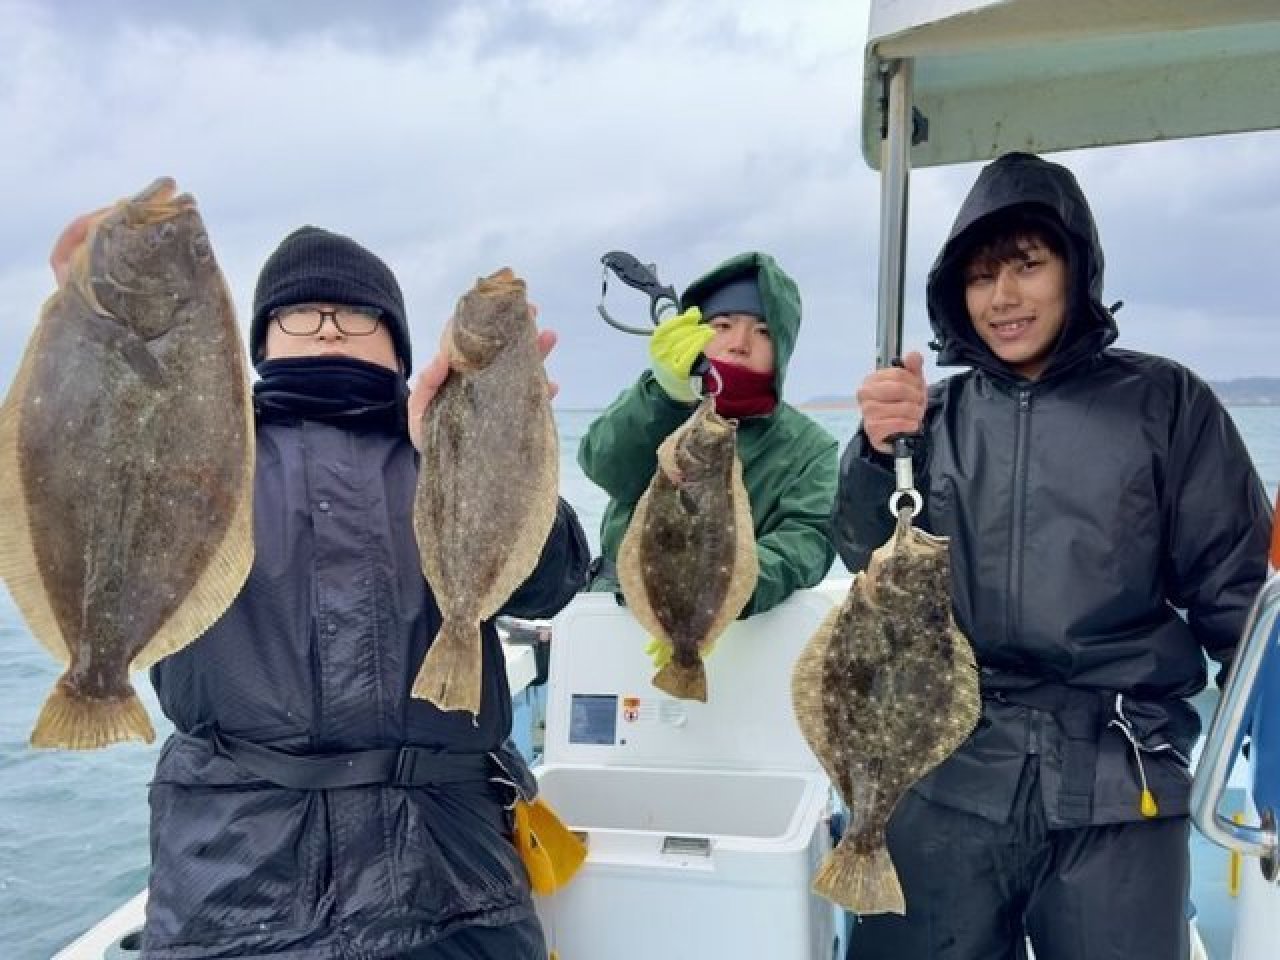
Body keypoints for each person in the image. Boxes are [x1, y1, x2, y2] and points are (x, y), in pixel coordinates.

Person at [51, 220, 590, 959]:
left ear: (399, 344)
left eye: (357, 314)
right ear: (262, 342)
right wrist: (96, 340)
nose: (330, 330)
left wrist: (487, 458)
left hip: (452, 877)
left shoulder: (443, 445)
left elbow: (552, 583)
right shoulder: (204, 454)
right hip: (237, 881)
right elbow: (88, 490)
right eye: (302, 314)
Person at [832, 151, 1272, 960]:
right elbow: (865, 557)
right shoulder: (931, 417)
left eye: (1027, 266)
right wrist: (872, 453)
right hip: (950, 760)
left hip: (1121, 776)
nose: (1002, 298)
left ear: (1076, 268)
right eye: (980, 275)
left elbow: (1237, 599)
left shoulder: (1168, 404)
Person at [578, 252, 837, 620]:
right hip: (622, 617)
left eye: (763, 331)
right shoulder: (659, 400)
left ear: (783, 344)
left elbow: (809, 539)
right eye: (723, 325)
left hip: (740, 629)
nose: (739, 343)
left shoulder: (810, 448)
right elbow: (604, 466)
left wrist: (724, 586)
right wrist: (667, 395)